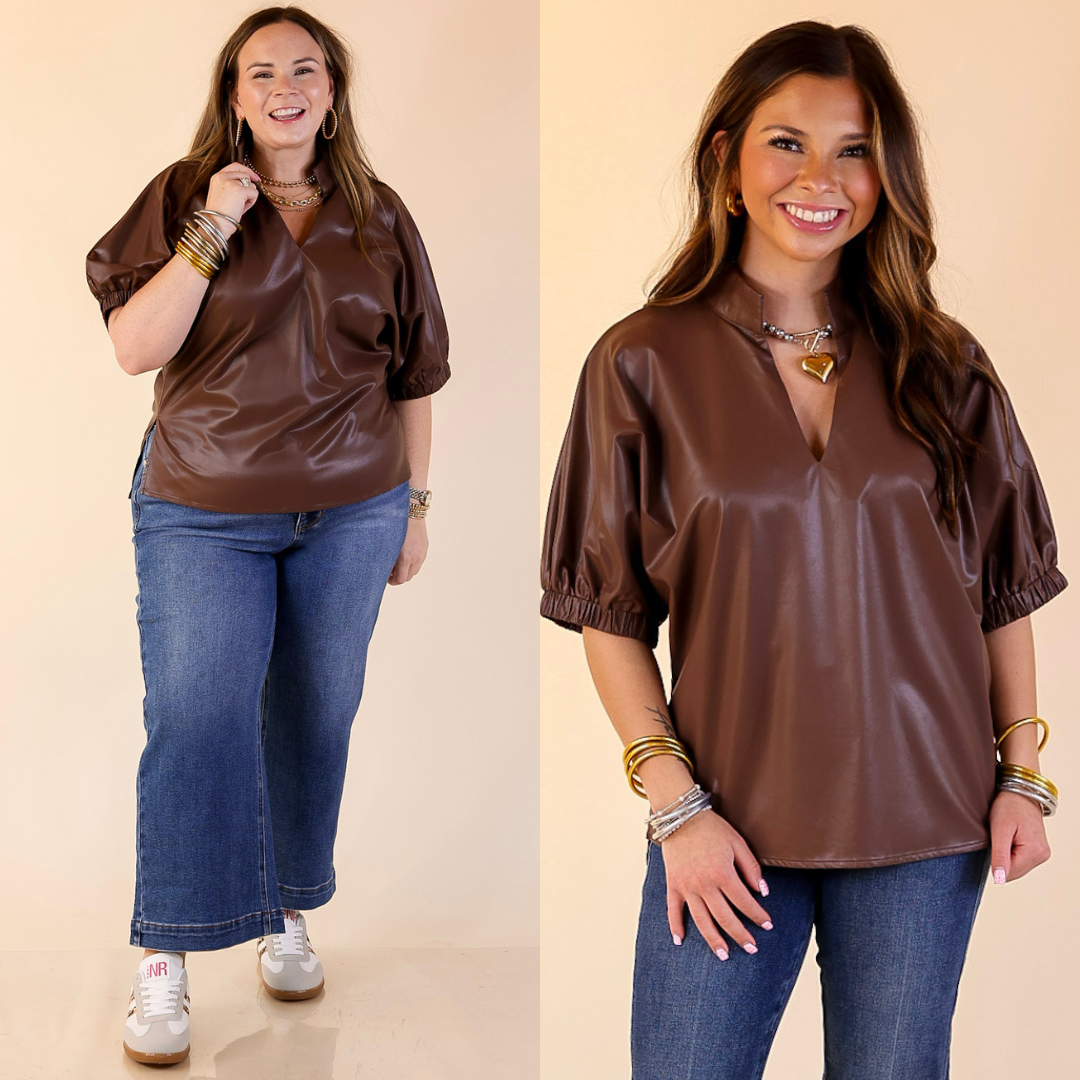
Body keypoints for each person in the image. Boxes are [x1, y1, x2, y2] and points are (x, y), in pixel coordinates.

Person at [540, 20, 1066, 1079]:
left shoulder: (946, 365)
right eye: (787, 142)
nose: (820, 177)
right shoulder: (641, 363)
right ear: (728, 160)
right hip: (727, 825)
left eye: (855, 148)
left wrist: (1025, 773)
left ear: (887, 173)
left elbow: (1002, 593)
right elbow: (610, 617)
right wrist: (676, 806)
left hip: (927, 827)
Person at [86, 6, 449, 1066]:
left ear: (333, 91)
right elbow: (131, 347)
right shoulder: (181, 195)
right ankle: (168, 956)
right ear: (235, 95)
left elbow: (415, 375)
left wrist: (415, 507)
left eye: (306, 69)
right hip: (203, 506)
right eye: (262, 73)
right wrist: (211, 226)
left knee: (314, 714)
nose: (285, 86)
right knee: (197, 717)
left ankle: (287, 902)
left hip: (352, 509)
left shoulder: (381, 217)